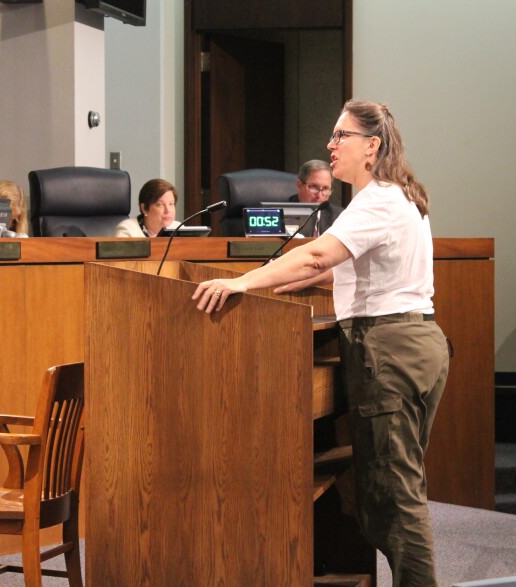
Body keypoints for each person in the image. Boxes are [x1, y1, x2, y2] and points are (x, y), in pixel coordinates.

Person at [192, 99, 449, 586]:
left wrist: (244, 283)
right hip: (413, 343)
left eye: (341, 136)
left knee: (396, 498)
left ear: (372, 146)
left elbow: (315, 256)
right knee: (387, 491)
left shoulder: (377, 201)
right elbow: (360, 269)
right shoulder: (398, 196)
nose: (330, 146)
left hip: (390, 349)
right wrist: (295, 281)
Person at [290, 159, 343, 237]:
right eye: (314, 187)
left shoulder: (340, 217)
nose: (319, 195)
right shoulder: (284, 214)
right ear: (299, 184)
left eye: (325, 188)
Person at [115, 178, 180, 237]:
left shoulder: (178, 229)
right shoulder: (128, 230)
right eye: (160, 204)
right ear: (144, 209)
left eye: (171, 204)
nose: (168, 210)